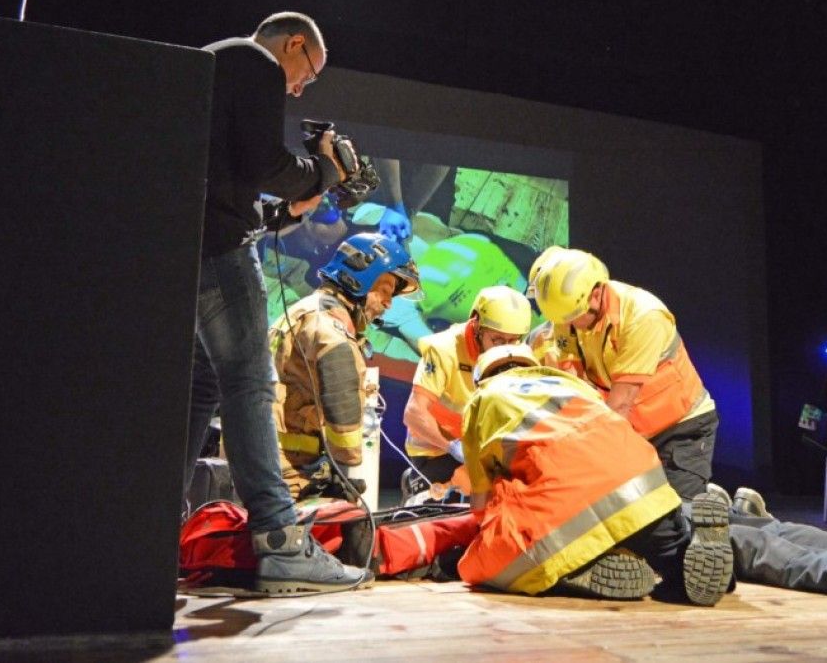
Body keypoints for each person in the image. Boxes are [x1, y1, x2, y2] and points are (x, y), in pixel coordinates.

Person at [458, 346, 827, 605]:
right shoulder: (572, 387)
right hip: (647, 488)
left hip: (585, 522)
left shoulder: (484, 403)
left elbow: (484, 506)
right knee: (763, 533)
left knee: (751, 543)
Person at [183, 11, 368, 594]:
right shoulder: (255, 61)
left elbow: (233, 178)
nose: (298, 88)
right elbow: (266, 165)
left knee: (203, 389)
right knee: (250, 384)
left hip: (193, 244)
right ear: (293, 46)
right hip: (220, 252)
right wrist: (323, 171)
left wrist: (291, 208)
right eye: (306, 75)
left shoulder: (212, 61)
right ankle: (281, 541)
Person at [457, 344, 733, 605]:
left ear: (482, 378)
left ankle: (574, 571)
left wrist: (488, 526)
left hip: (565, 504)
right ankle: (689, 556)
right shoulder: (570, 383)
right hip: (640, 484)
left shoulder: (481, 400)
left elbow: (481, 500)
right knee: (674, 559)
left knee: (480, 564)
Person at [530, 248, 718, 498]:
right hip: (633, 431)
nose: (569, 326)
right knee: (637, 522)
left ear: (596, 294)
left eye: (575, 317)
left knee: (680, 518)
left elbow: (620, 405)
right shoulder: (568, 318)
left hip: (679, 427)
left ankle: (753, 522)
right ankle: (732, 508)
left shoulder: (643, 316)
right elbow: (573, 392)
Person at [269, 232, 421, 500]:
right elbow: (343, 412)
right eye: (384, 291)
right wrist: (347, 472)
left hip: (271, 461)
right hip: (291, 471)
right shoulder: (331, 329)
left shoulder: (306, 310)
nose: (388, 303)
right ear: (359, 279)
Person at [399, 285, 532, 500]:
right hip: (439, 450)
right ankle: (417, 480)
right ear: (477, 323)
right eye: (497, 340)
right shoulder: (444, 349)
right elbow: (413, 413)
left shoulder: (517, 353)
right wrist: (455, 447)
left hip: (483, 450)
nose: (504, 348)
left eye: (512, 340)